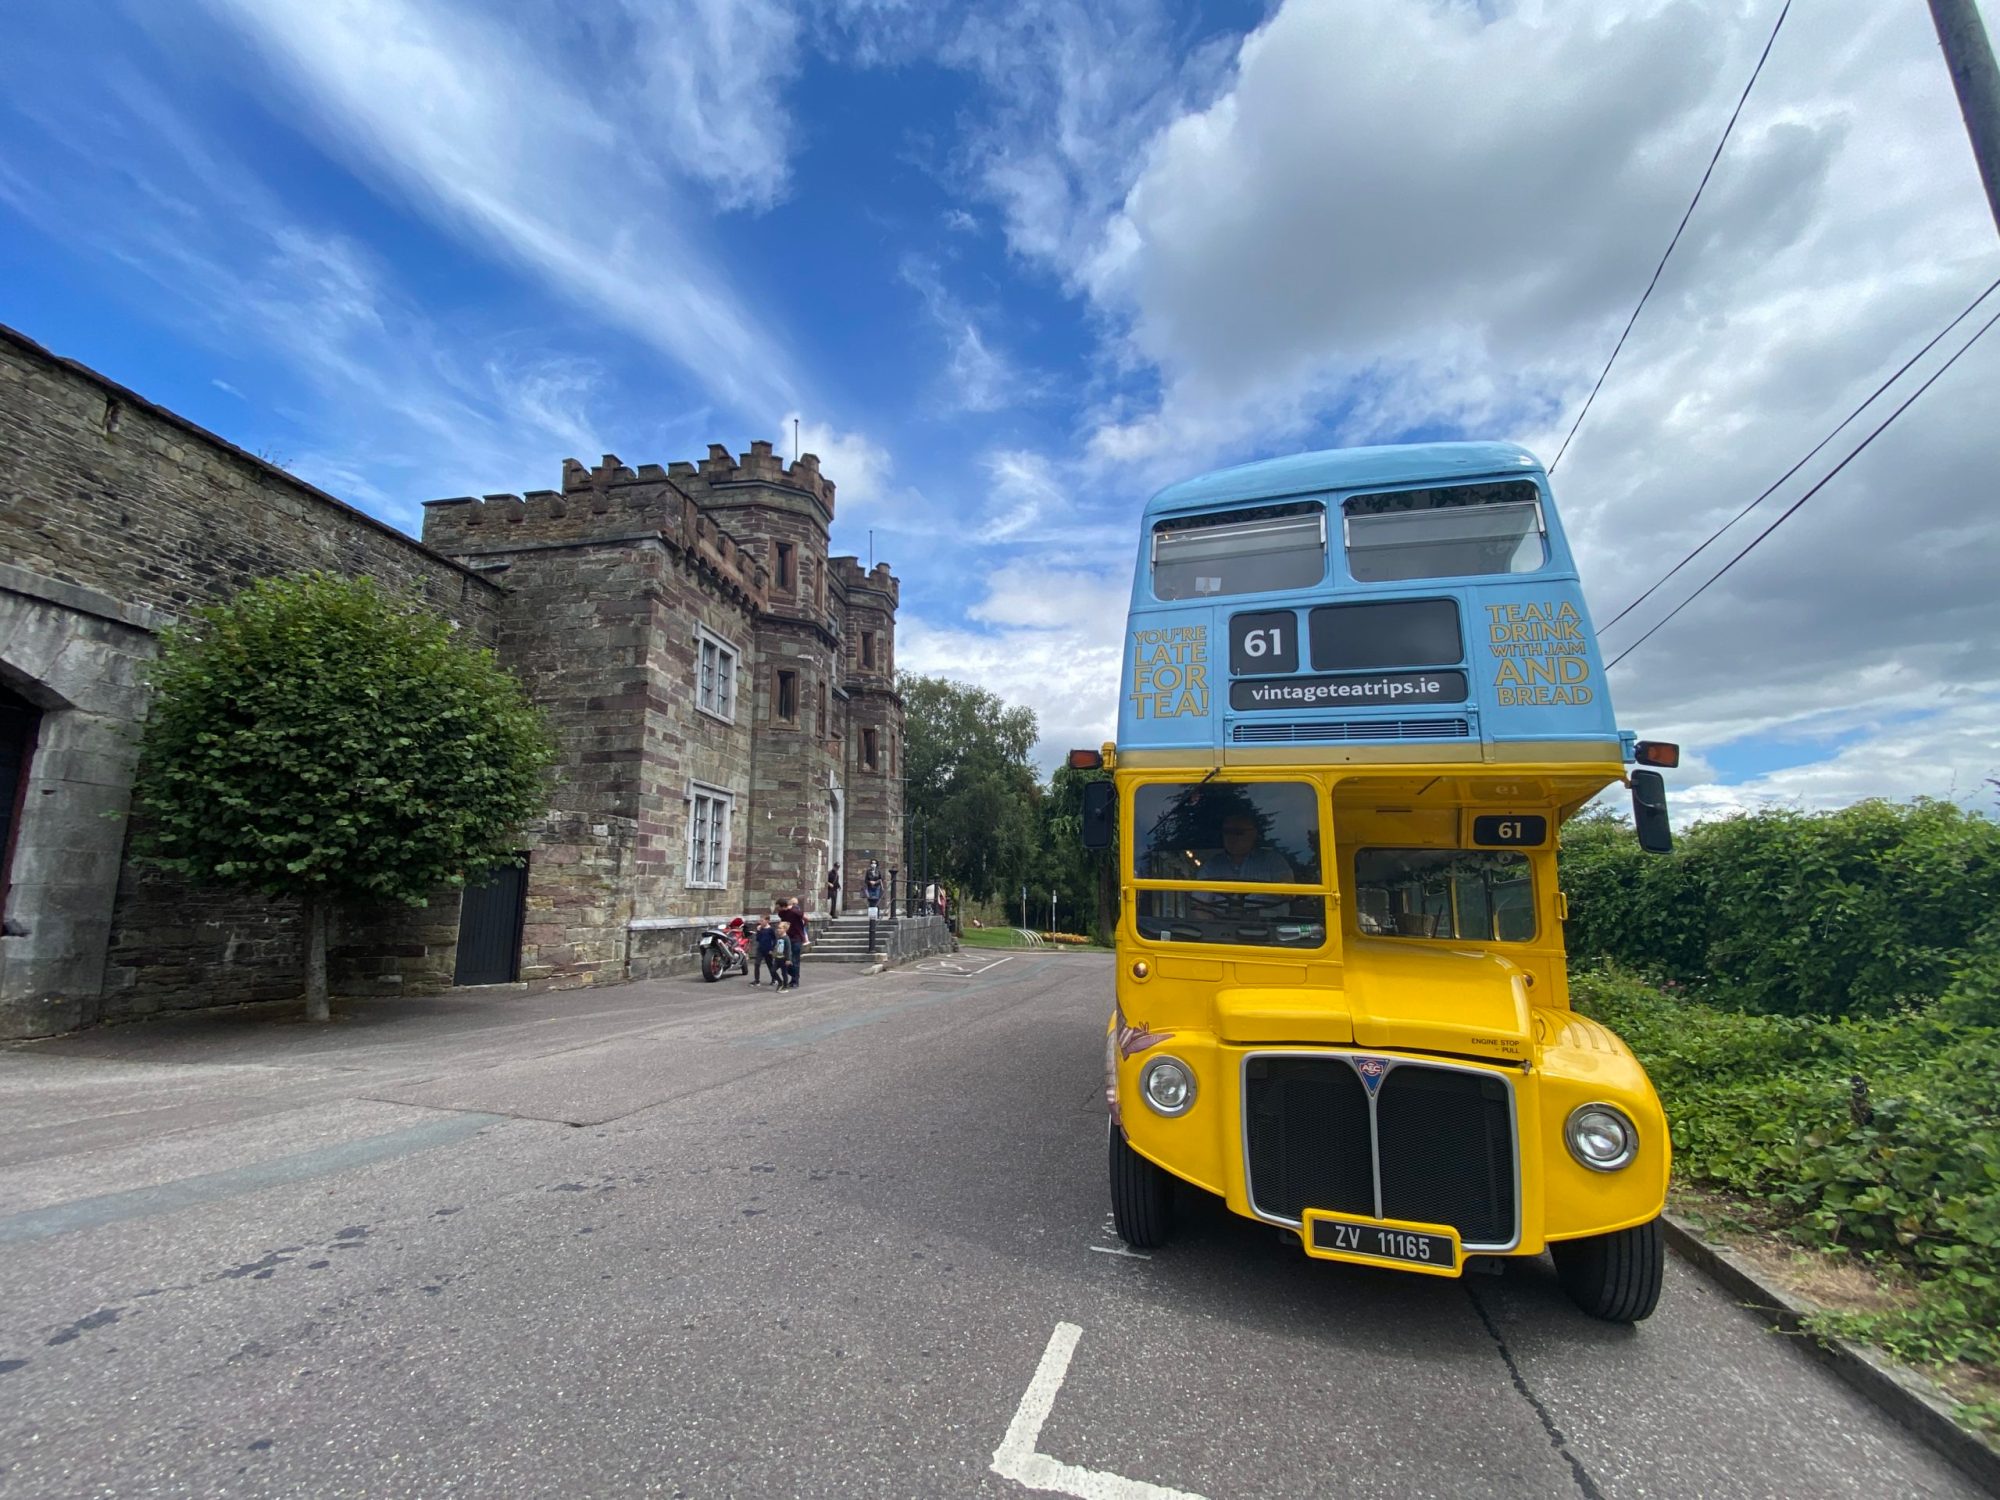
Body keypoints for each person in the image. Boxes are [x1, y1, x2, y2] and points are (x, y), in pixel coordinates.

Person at [1205, 814, 1294, 883]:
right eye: (1227, 832)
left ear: (1253, 834)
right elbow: (1200, 902)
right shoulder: (1212, 865)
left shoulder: (1273, 861)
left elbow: (1288, 893)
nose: (1231, 837)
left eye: (1238, 832)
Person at [780, 898, 809, 989]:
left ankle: (795, 980)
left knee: (794, 960)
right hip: (787, 938)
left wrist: (802, 927)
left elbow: (807, 918)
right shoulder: (782, 913)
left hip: (796, 938)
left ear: (783, 906)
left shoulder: (795, 911)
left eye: (779, 907)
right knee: (786, 959)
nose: (778, 909)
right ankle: (794, 976)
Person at [752, 915, 779, 986]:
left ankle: (774, 979)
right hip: (760, 949)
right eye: (760, 921)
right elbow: (758, 939)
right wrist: (758, 931)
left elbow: (774, 940)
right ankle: (757, 980)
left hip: (768, 949)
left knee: (770, 965)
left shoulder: (770, 929)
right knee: (757, 964)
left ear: (767, 921)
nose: (760, 922)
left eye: (762, 921)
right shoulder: (760, 929)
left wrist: (772, 949)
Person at [768, 914, 791, 991]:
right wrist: (773, 952)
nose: (778, 930)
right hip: (778, 958)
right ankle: (780, 982)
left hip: (784, 959)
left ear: (785, 929)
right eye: (778, 928)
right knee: (772, 970)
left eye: (780, 928)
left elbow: (788, 949)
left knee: (784, 973)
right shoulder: (779, 937)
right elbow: (777, 947)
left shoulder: (786, 939)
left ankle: (785, 985)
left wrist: (788, 959)